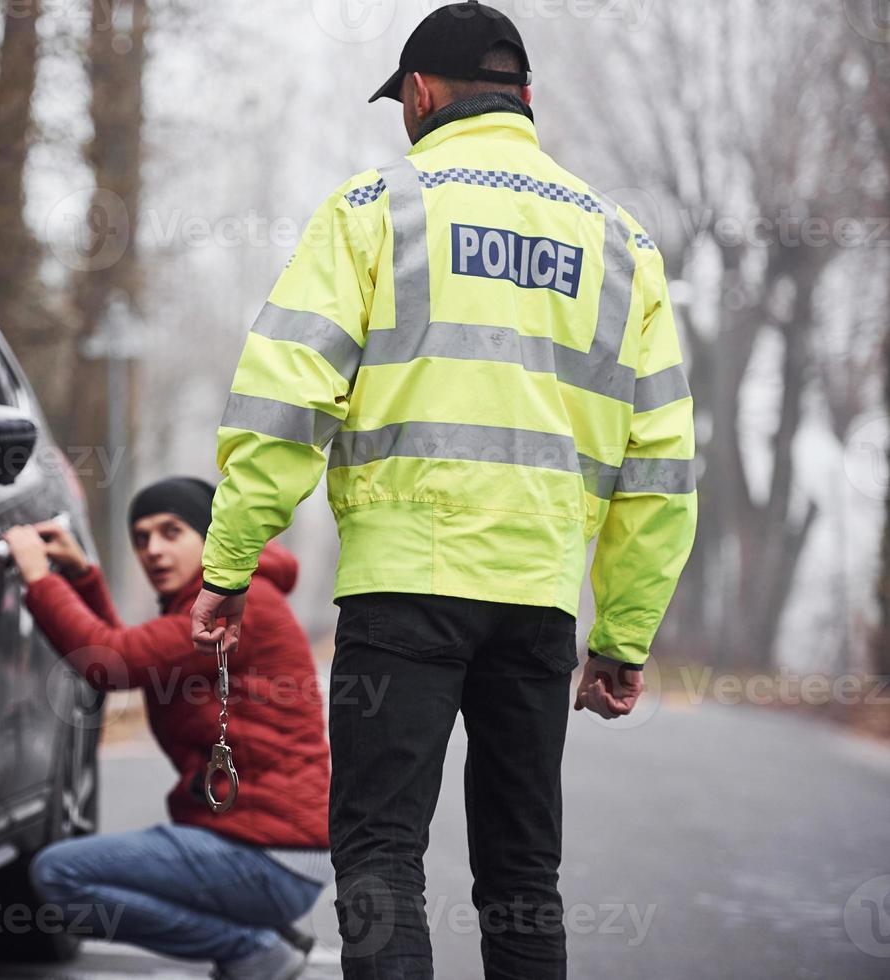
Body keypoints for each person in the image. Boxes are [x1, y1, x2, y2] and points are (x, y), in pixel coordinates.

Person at [190, 3, 698, 978]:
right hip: (537, 603)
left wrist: (229, 560)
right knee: (520, 871)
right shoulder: (620, 242)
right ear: (525, 98)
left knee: (381, 852)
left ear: (418, 96)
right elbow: (661, 460)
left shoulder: (375, 209)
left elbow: (285, 398)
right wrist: (622, 632)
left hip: (401, 592)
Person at [1, 476, 330, 980]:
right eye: (141, 538)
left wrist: (39, 577)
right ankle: (261, 938)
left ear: (211, 537)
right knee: (70, 871)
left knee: (59, 873)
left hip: (265, 854)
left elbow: (109, 662)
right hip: (266, 851)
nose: (153, 550)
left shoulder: (239, 606)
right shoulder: (217, 603)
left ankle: (251, 949)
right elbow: (127, 657)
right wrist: (84, 575)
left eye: (171, 532)